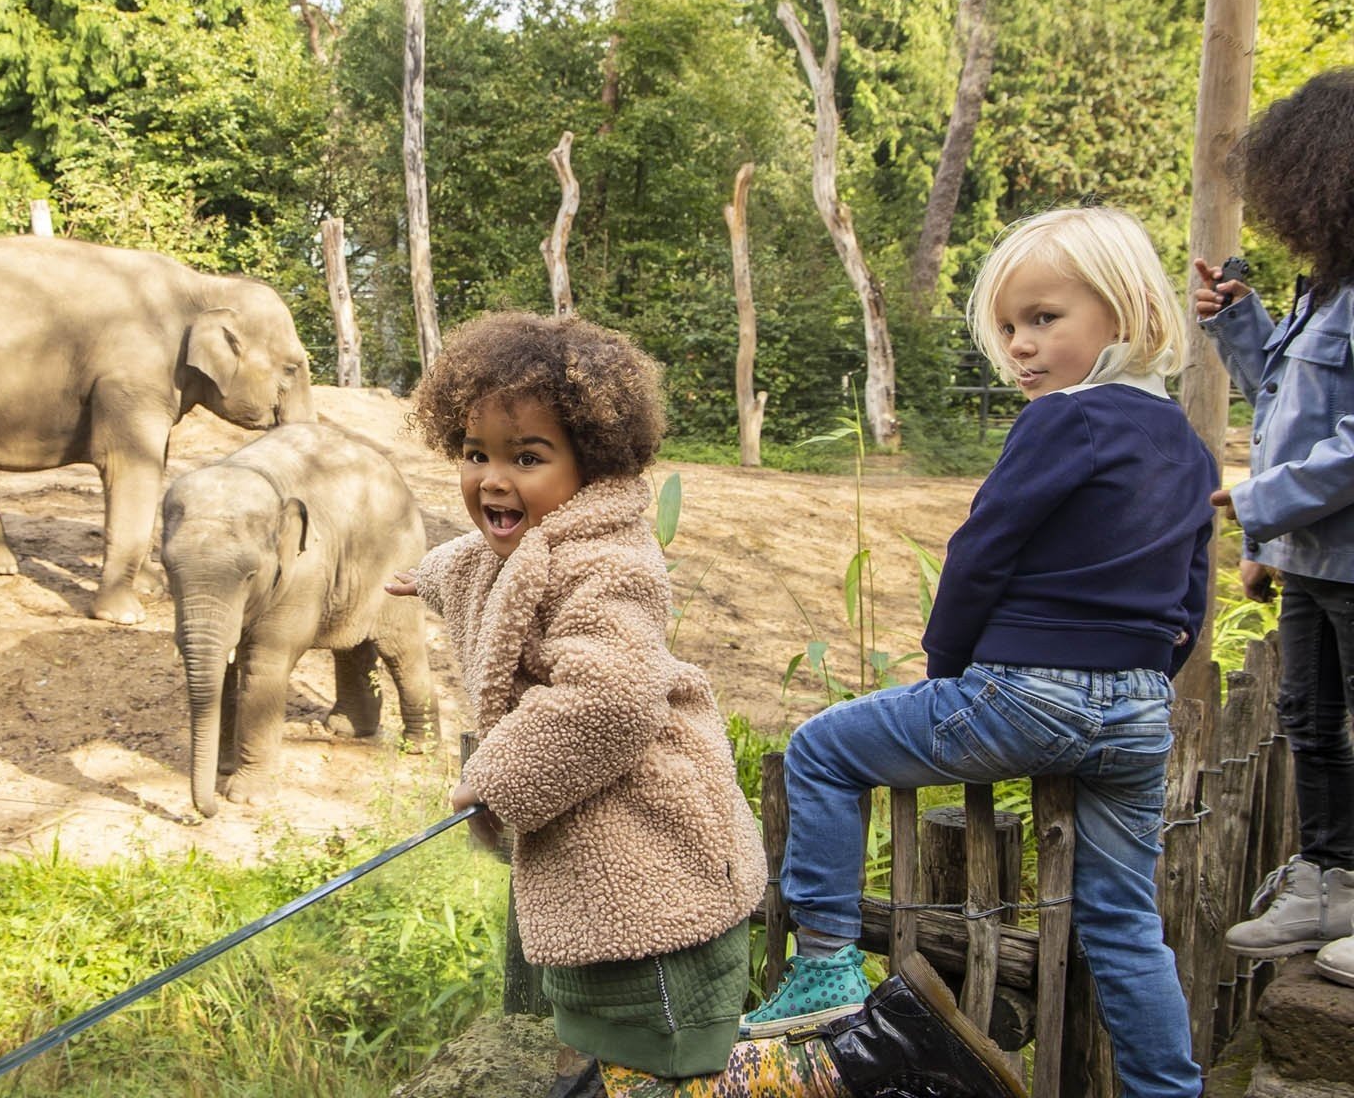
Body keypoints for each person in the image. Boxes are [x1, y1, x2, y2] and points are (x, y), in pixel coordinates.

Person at [391, 312, 1024, 1098]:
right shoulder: (539, 543)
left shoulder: (610, 565)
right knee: (619, 1055)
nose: (491, 477)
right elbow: (492, 557)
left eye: (527, 456)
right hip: (604, 888)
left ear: (590, 465)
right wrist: (432, 573)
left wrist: (501, 775)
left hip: (649, 876)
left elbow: (610, 699)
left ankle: (874, 1059)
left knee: (671, 1070)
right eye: (474, 452)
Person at [742, 207, 1211, 1098]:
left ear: (1127, 312)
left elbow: (982, 550)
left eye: (1044, 319)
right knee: (1122, 923)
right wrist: (1142, 685)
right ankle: (1170, 1091)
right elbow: (1191, 590)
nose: (1021, 346)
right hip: (1141, 706)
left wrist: (950, 662)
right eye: (1007, 327)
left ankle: (829, 966)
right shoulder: (1186, 446)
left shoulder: (1059, 423)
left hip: (1026, 691)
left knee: (823, 749)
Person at [1195, 67, 1354, 989]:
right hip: (1314, 558)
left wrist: (1258, 504)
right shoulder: (1320, 294)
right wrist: (1244, 327)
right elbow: (1284, 411)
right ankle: (1332, 880)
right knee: (1308, 719)